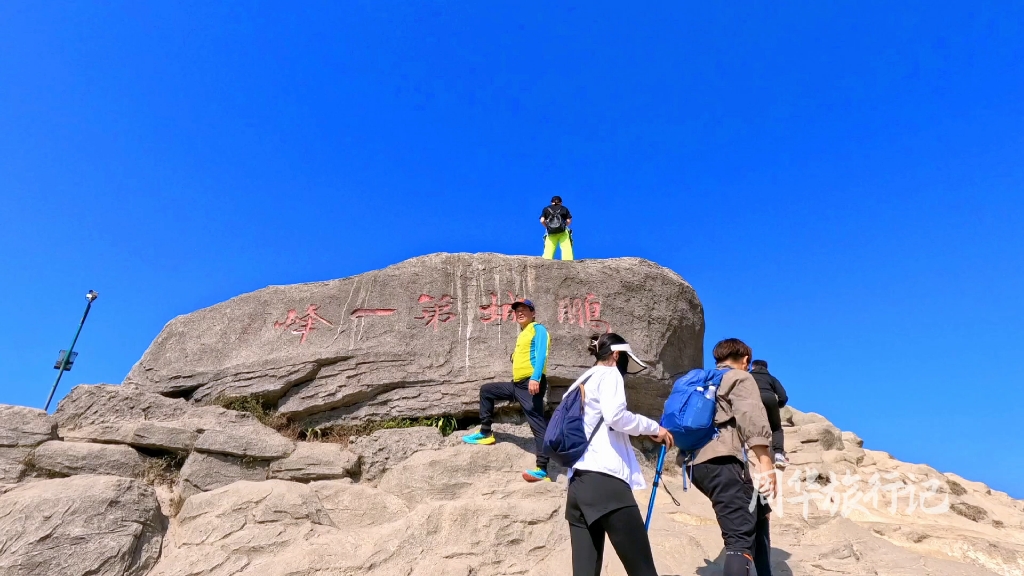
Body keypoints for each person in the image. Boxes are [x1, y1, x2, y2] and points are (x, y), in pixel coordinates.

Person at [564, 332, 674, 576]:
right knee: (642, 570)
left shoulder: (581, 381)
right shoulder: (610, 374)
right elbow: (616, 417)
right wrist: (654, 428)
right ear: (616, 355)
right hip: (607, 484)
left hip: (577, 485)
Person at [680, 338, 777, 576]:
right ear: (745, 360)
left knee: (759, 508)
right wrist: (766, 462)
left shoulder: (698, 379)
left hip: (693, 465)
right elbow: (751, 417)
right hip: (722, 461)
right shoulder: (740, 377)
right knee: (738, 541)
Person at [463, 299, 553, 482]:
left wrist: (535, 378)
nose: (519, 313)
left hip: (531, 384)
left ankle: (543, 470)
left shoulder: (538, 329)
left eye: (524, 309)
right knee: (487, 391)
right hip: (518, 385)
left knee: (536, 423)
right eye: (516, 310)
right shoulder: (523, 333)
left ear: (533, 312)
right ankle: (486, 433)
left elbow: (542, 353)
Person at [750, 359, 790, 469]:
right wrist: (778, 405)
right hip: (770, 399)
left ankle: (744, 452)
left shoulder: (748, 376)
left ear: (752, 367)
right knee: (776, 428)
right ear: (766, 368)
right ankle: (778, 456)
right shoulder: (772, 378)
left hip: (753, 400)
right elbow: (783, 396)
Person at [540, 196, 574, 260]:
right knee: (566, 247)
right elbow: (569, 220)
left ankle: (546, 262)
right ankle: (568, 262)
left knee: (549, 249)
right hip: (563, 232)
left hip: (551, 232)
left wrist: (547, 227)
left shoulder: (546, 209)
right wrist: (564, 226)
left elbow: (542, 220)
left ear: (551, 202)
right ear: (561, 202)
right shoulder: (564, 208)